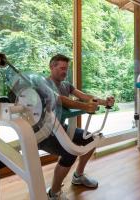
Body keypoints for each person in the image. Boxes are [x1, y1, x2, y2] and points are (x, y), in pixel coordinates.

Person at [38, 54, 115, 200]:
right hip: (43, 132)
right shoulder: (44, 84)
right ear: (52, 67)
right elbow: (62, 100)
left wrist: (106, 102)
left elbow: (85, 96)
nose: (64, 72)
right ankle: (53, 193)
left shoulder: (67, 85)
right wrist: (86, 107)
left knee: (91, 139)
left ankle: (78, 176)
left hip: (60, 127)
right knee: (70, 152)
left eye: (66, 69)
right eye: (61, 68)